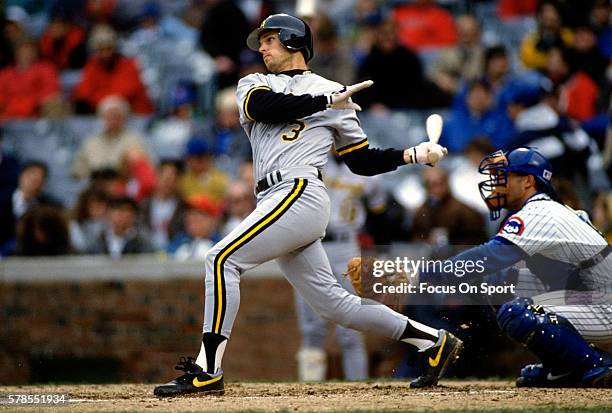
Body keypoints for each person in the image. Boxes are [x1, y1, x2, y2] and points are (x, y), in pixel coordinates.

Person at [153, 13, 459, 397]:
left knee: (221, 260)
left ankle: (207, 368)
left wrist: (413, 154)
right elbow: (266, 107)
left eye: (269, 40)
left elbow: (361, 160)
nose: (261, 47)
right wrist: (325, 101)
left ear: (293, 41)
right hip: (275, 197)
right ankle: (432, 341)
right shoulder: (255, 82)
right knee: (335, 306)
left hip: (299, 191)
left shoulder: (335, 91)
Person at [418, 147, 611, 388]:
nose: (498, 184)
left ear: (529, 181)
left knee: (518, 312)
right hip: (588, 296)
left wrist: (420, 276)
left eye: (505, 176)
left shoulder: (539, 212)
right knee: (497, 283)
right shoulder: (548, 209)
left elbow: (487, 257)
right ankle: (562, 367)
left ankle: (597, 365)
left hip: (605, 308)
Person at [294, 151, 387, 382]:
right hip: (309, 243)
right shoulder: (308, 158)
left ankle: (358, 390)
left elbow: (380, 213)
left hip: (347, 245)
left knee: (352, 327)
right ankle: (308, 392)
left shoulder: (366, 169)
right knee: (311, 327)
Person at [72, 24, 153, 114]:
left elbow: (125, 93)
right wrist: (100, 99)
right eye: (101, 49)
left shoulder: (128, 64)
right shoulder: (92, 65)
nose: (105, 53)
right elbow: (83, 92)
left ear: (115, 48)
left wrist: (98, 98)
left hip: (136, 115)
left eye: (109, 48)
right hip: (104, 113)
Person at [71, 96, 150, 181]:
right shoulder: (91, 142)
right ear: (101, 118)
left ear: (125, 119)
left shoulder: (135, 140)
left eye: (117, 116)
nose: (113, 120)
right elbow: (77, 173)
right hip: (95, 187)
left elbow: (147, 171)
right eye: (109, 116)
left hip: (124, 188)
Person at [87, 196, 155, 258]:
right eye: (118, 210)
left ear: (134, 216)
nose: (122, 215)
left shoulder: (142, 242)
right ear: (109, 213)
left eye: (126, 210)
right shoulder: (98, 240)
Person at [167, 194, 221, 261]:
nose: (191, 218)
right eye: (189, 213)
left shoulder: (221, 246)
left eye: (199, 213)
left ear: (213, 219)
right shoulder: (178, 241)